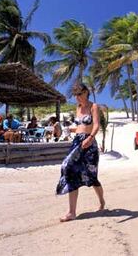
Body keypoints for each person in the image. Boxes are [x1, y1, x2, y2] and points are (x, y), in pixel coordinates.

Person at [56, 82, 105, 222]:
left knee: (92, 177)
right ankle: (72, 212)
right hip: (77, 142)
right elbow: (80, 127)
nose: (77, 97)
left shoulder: (93, 106)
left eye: (79, 94)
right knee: (68, 168)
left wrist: (90, 137)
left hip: (89, 145)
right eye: (75, 95)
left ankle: (101, 201)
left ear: (85, 93)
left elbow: (96, 125)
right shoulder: (77, 108)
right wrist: (67, 130)